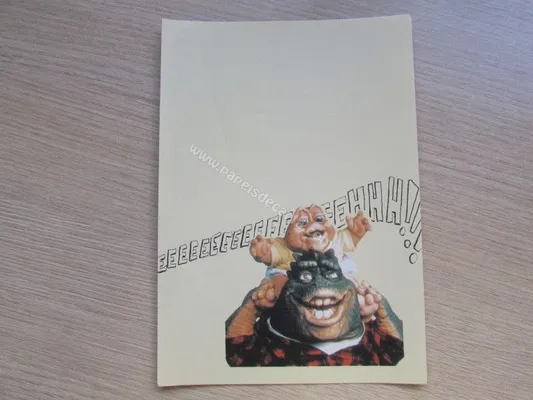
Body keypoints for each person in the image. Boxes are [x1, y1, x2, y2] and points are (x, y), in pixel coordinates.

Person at [226, 249, 403, 367]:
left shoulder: (371, 339)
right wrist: (250, 308)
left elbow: (398, 351)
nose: (319, 282)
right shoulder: (266, 339)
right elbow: (232, 352)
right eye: (305, 276)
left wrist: (382, 310)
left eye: (331, 274)